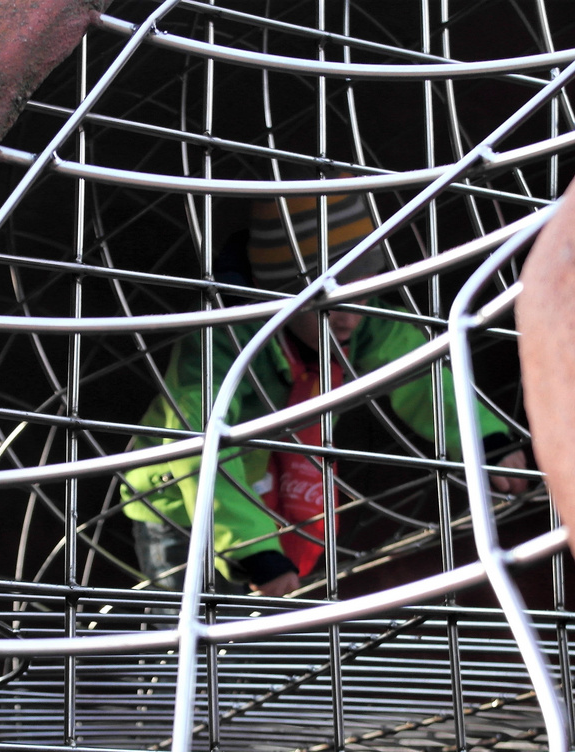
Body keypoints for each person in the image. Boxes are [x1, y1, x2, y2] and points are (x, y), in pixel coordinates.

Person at [122, 192, 528, 597]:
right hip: (179, 508)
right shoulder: (222, 342)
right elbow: (198, 441)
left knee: (258, 635)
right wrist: (253, 549)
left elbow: (423, 378)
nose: (351, 315)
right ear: (281, 292)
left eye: (363, 291)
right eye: (330, 303)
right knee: (186, 632)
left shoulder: (367, 324)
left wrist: (485, 440)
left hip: (271, 499)